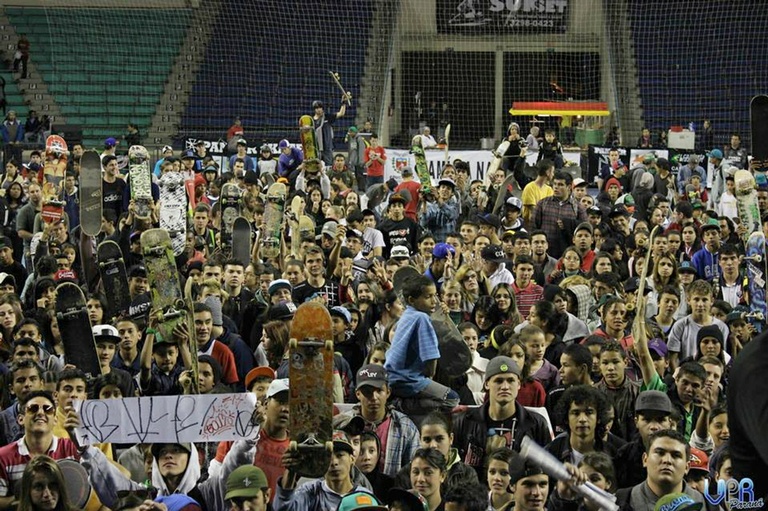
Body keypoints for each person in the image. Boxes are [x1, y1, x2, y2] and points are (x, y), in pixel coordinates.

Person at [452, 356, 551, 481]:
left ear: (519, 384)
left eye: (510, 381)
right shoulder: (464, 422)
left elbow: (547, 470)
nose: (505, 386)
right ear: (487, 384)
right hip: (474, 495)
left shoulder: (536, 423)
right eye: (498, 381)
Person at [384, 275, 459, 411]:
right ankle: (401, 406)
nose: (434, 301)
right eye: (428, 297)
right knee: (452, 399)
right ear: (412, 300)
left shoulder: (407, 315)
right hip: (407, 380)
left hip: (392, 377)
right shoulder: (422, 318)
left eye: (435, 295)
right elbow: (431, 359)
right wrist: (428, 377)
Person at [336, 364, 420, 478]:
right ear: (358, 394)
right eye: (367, 392)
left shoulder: (405, 428)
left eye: (379, 391)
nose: (374, 397)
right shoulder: (343, 424)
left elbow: (415, 469)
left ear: (388, 392)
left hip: (390, 493)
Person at [614, 430, 710, 510]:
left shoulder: (709, 506)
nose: (667, 460)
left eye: (676, 455)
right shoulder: (617, 503)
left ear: (687, 467)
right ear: (645, 459)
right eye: (660, 453)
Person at [274, 430, 368, 510]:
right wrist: (291, 471)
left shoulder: (364, 497)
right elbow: (283, 508)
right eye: (327, 457)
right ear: (319, 462)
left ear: (352, 459)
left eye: (340, 455)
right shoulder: (311, 492)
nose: (334, 462)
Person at [533, 171, 587, 259]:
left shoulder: (578, 208)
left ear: (569, 187)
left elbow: (585, 229)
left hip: (567, 256)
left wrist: (569, 224)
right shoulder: (543, 204)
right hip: (544, 255)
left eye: (560, 185)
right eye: (554, 184)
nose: (556, 187)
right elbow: (534, 227)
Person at [312, 99, 347, 166]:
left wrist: (343, 103)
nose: (319, 109)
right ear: (314, 109)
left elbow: (341, 113)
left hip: (327, 147)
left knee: (328, 165)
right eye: (317, 108)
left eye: (320, 107)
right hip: (316, 147)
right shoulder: (311, 120)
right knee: (316, 166)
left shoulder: (327, 117)